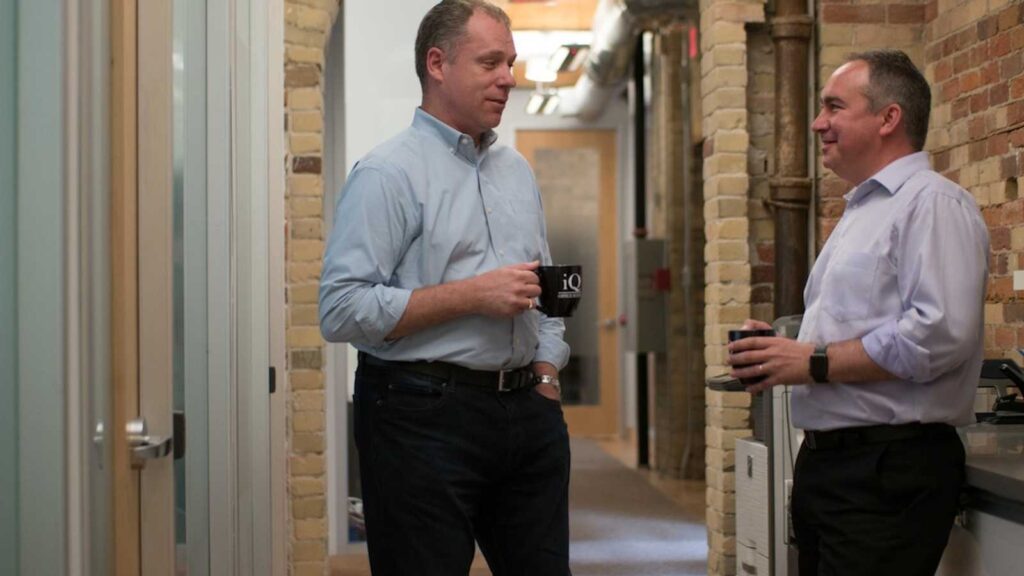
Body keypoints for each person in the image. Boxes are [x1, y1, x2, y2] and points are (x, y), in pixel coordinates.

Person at [319, 2, 571, 575]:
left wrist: (548, 373)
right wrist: (470, 295)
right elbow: (340, 309)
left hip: (526, 413)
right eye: (490, 62)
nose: (509, 78)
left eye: (510, 62)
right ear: (437, 63)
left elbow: (547, 288)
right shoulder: (387, 174)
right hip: (420, 416)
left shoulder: (517, 172)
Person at [728, 50, 989, 576]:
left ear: (888, 118)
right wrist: (782, 350)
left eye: (834, 107)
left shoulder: (933, 204)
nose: (817, 124)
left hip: (889, 471)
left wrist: (814, 362)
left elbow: (939, 334)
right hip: (832, 465)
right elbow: (863, 325)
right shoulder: (864, 209)